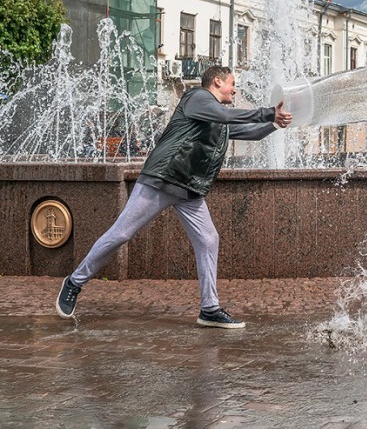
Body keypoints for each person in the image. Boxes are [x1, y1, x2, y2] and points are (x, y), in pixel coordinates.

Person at [55, 66, 292, 329]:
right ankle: (74, 282)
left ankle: (209, 308)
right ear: (217, 81)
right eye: (232, 84)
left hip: (189, 189)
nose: (235, 89)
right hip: (163, 178)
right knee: (121, 234)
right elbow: (223, 115)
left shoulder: (218, 119)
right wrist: (268, 111)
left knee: (208, 239)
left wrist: (273, 124)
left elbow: (250, 132)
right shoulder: (198, 98)